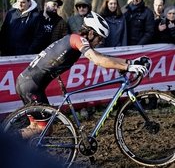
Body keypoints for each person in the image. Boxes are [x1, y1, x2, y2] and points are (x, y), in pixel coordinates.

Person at [15, 11, 149, 138]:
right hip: (31, 86)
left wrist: (129, 62)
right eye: (100, 38)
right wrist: (128, 67)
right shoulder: (77, 39)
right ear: (90, 33)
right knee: (43, 129)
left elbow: (101, 56)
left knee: (34, 127)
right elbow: (97, 60)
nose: (100, 42)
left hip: (27, 83)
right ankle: (8, 143)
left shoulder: (75, 39)